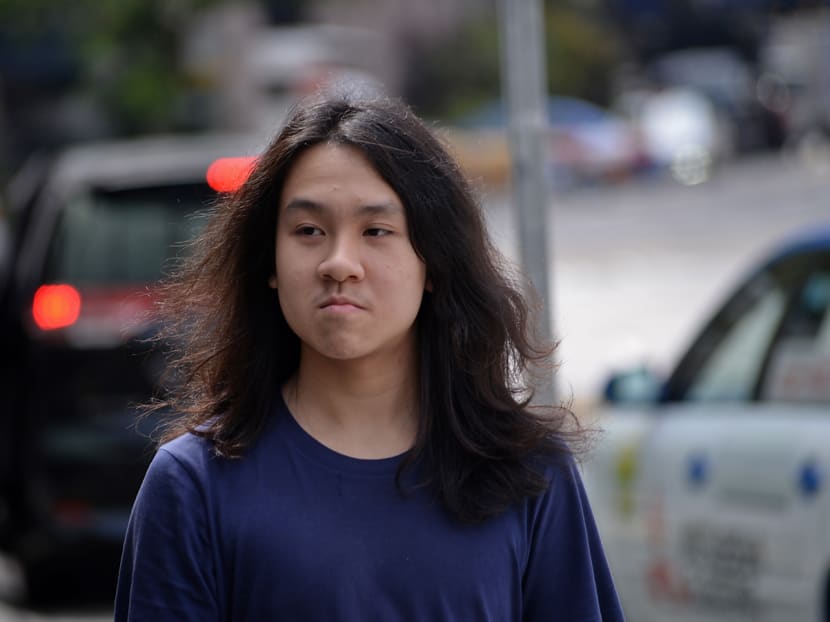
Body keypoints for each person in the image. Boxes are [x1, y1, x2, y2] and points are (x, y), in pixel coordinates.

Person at [114, 90, 625, 621]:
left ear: (434, 262)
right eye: (309, 231)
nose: (339, 263)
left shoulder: (530, 475)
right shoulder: (193, 486)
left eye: (376, 231)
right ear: (269, 261)